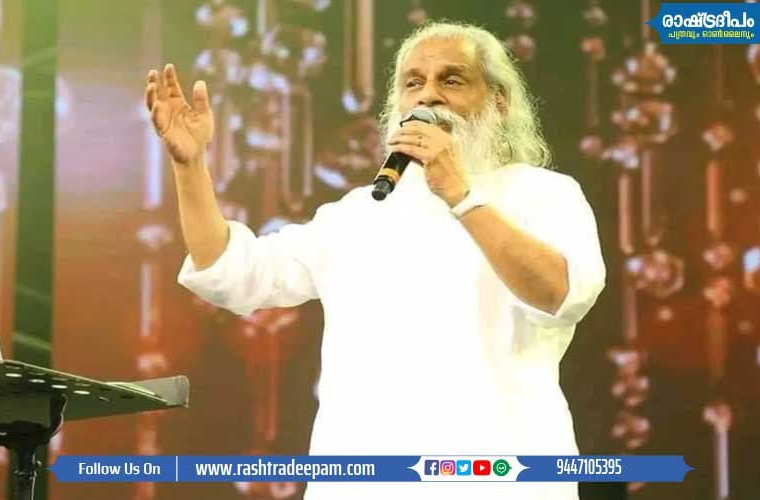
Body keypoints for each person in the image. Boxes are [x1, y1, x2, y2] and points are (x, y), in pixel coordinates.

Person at [145, 20, 606, 500]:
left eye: (451, 80)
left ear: (499, 101)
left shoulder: (543, 194)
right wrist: (190, 166)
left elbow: (562, 295)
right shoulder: (358, 214)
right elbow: (233, 272)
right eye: (413, 83)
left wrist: (460, 195)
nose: (429, 96)